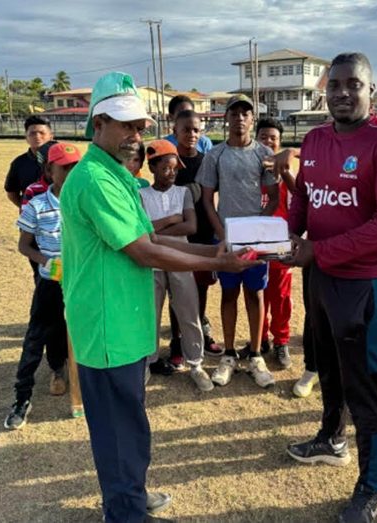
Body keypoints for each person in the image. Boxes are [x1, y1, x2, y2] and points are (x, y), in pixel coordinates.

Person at [60, 71, 261, 523]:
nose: (137, 136)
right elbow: (144, 250)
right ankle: (125, 510)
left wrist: (216, 250)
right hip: (107, 329)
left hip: (126, 326)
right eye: (126, 126)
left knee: (130, 422)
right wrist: (219, 263)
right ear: (98, 125)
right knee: (117, 430)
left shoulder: (118, 177)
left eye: (140, 126)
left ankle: (131, 493)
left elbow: (152, 236)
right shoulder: (94, 179)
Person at [280, 52, 377, 523]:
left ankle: (371, 487)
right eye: (334, 84)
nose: (341, 92)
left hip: (374, 282)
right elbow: (305, 195)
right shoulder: (316, 138)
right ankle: (330, 438)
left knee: (367, 386)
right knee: (328, 364)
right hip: (323, 276)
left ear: (370, 90)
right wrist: (289, 235)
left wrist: (318, 250)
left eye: (352, 84)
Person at [196, 94, 280, 388]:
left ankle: (256, 354)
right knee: (229, 294)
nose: (240, 118)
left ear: (251, 119)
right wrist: (223, 234)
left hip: (255, 242)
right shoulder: (215, 155)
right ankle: (229, 354)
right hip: (228, 240)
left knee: (255, 295)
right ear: (226, 118)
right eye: (235, 113)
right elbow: (207, 200)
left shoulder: (263, 155)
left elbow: (275, 198)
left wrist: (258, 230)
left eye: (246, 113)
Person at [4, 142, 80, 430]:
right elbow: (24, 245)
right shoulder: (36, 205)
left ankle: (87, 391)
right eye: (65, 167)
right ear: (50, 169)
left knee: (86, 336)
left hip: (81, 284)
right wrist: (43, 260)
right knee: (36, 340)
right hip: (51, 283)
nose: (72, 172)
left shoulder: (86, 202)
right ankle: (22, 399)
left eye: (76, 167)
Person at [140, 139, 214, 391]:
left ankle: (195, 363)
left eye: (175, 168)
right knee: (151, 313)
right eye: (166, 168)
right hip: (151, 260)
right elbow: (142, 231)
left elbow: (190, 226)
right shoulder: (141, 195)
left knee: (188, 310)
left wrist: (157, 230)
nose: (171, 173)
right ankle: (147, 362)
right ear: (152, 167)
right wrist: (172, 218)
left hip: (180, 258)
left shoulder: (183, 193)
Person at [169, 109, 223, 364]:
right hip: (178, 237)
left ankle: (200, 331)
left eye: (196, 130)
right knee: (177, 289)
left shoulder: (208, 160)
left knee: (201, 288)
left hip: (204, 234)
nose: (191, 134)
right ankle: (176, 340)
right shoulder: (169, 162)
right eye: (185, 129)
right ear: (175, 131)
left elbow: (213, 197)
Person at [246, 117, 295, 369]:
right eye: (263, 137)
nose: (267, 142)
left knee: (280, 296)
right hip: (253, 242)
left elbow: (299, 195)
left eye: (272, 138)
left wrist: (284, 170)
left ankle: (281, 341)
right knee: (257, 292)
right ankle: (260, 339)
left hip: (278, 243)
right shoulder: (249, 168)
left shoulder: (285, 171)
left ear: (279, 143)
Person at [4, 116, 55, 283]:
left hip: (58, 225)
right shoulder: (19, 163)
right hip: (33, 226)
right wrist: (30, 210)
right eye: (32, 133)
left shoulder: (61, 160)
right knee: (40, 271)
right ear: (26, 136)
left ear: (51, 135)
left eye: (42, 132)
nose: (37, 136)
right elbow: (12, 192)